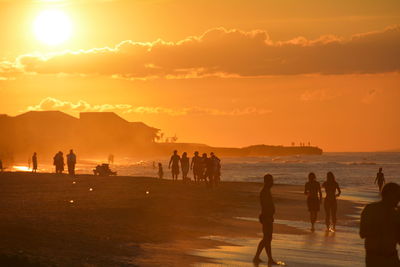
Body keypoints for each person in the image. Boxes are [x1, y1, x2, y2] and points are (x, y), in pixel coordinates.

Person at [360, 182, 400, 267]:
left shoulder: (396, 213)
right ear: (388, 195)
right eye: (397, 196)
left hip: (392, 257)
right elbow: (362, 233)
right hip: (374, 258)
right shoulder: (370, 209)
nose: (399, 200)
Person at [253, 174, 278, 265]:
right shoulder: (264, 191)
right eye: (271, 181)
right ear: (267, 182)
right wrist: (267, 216)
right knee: (267, 238)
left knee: (267, 238)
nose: (273, 182)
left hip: (267, 217)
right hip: (266, 217)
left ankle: (258, 257)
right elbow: (265, 206)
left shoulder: (266, 191)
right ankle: (268, 258)